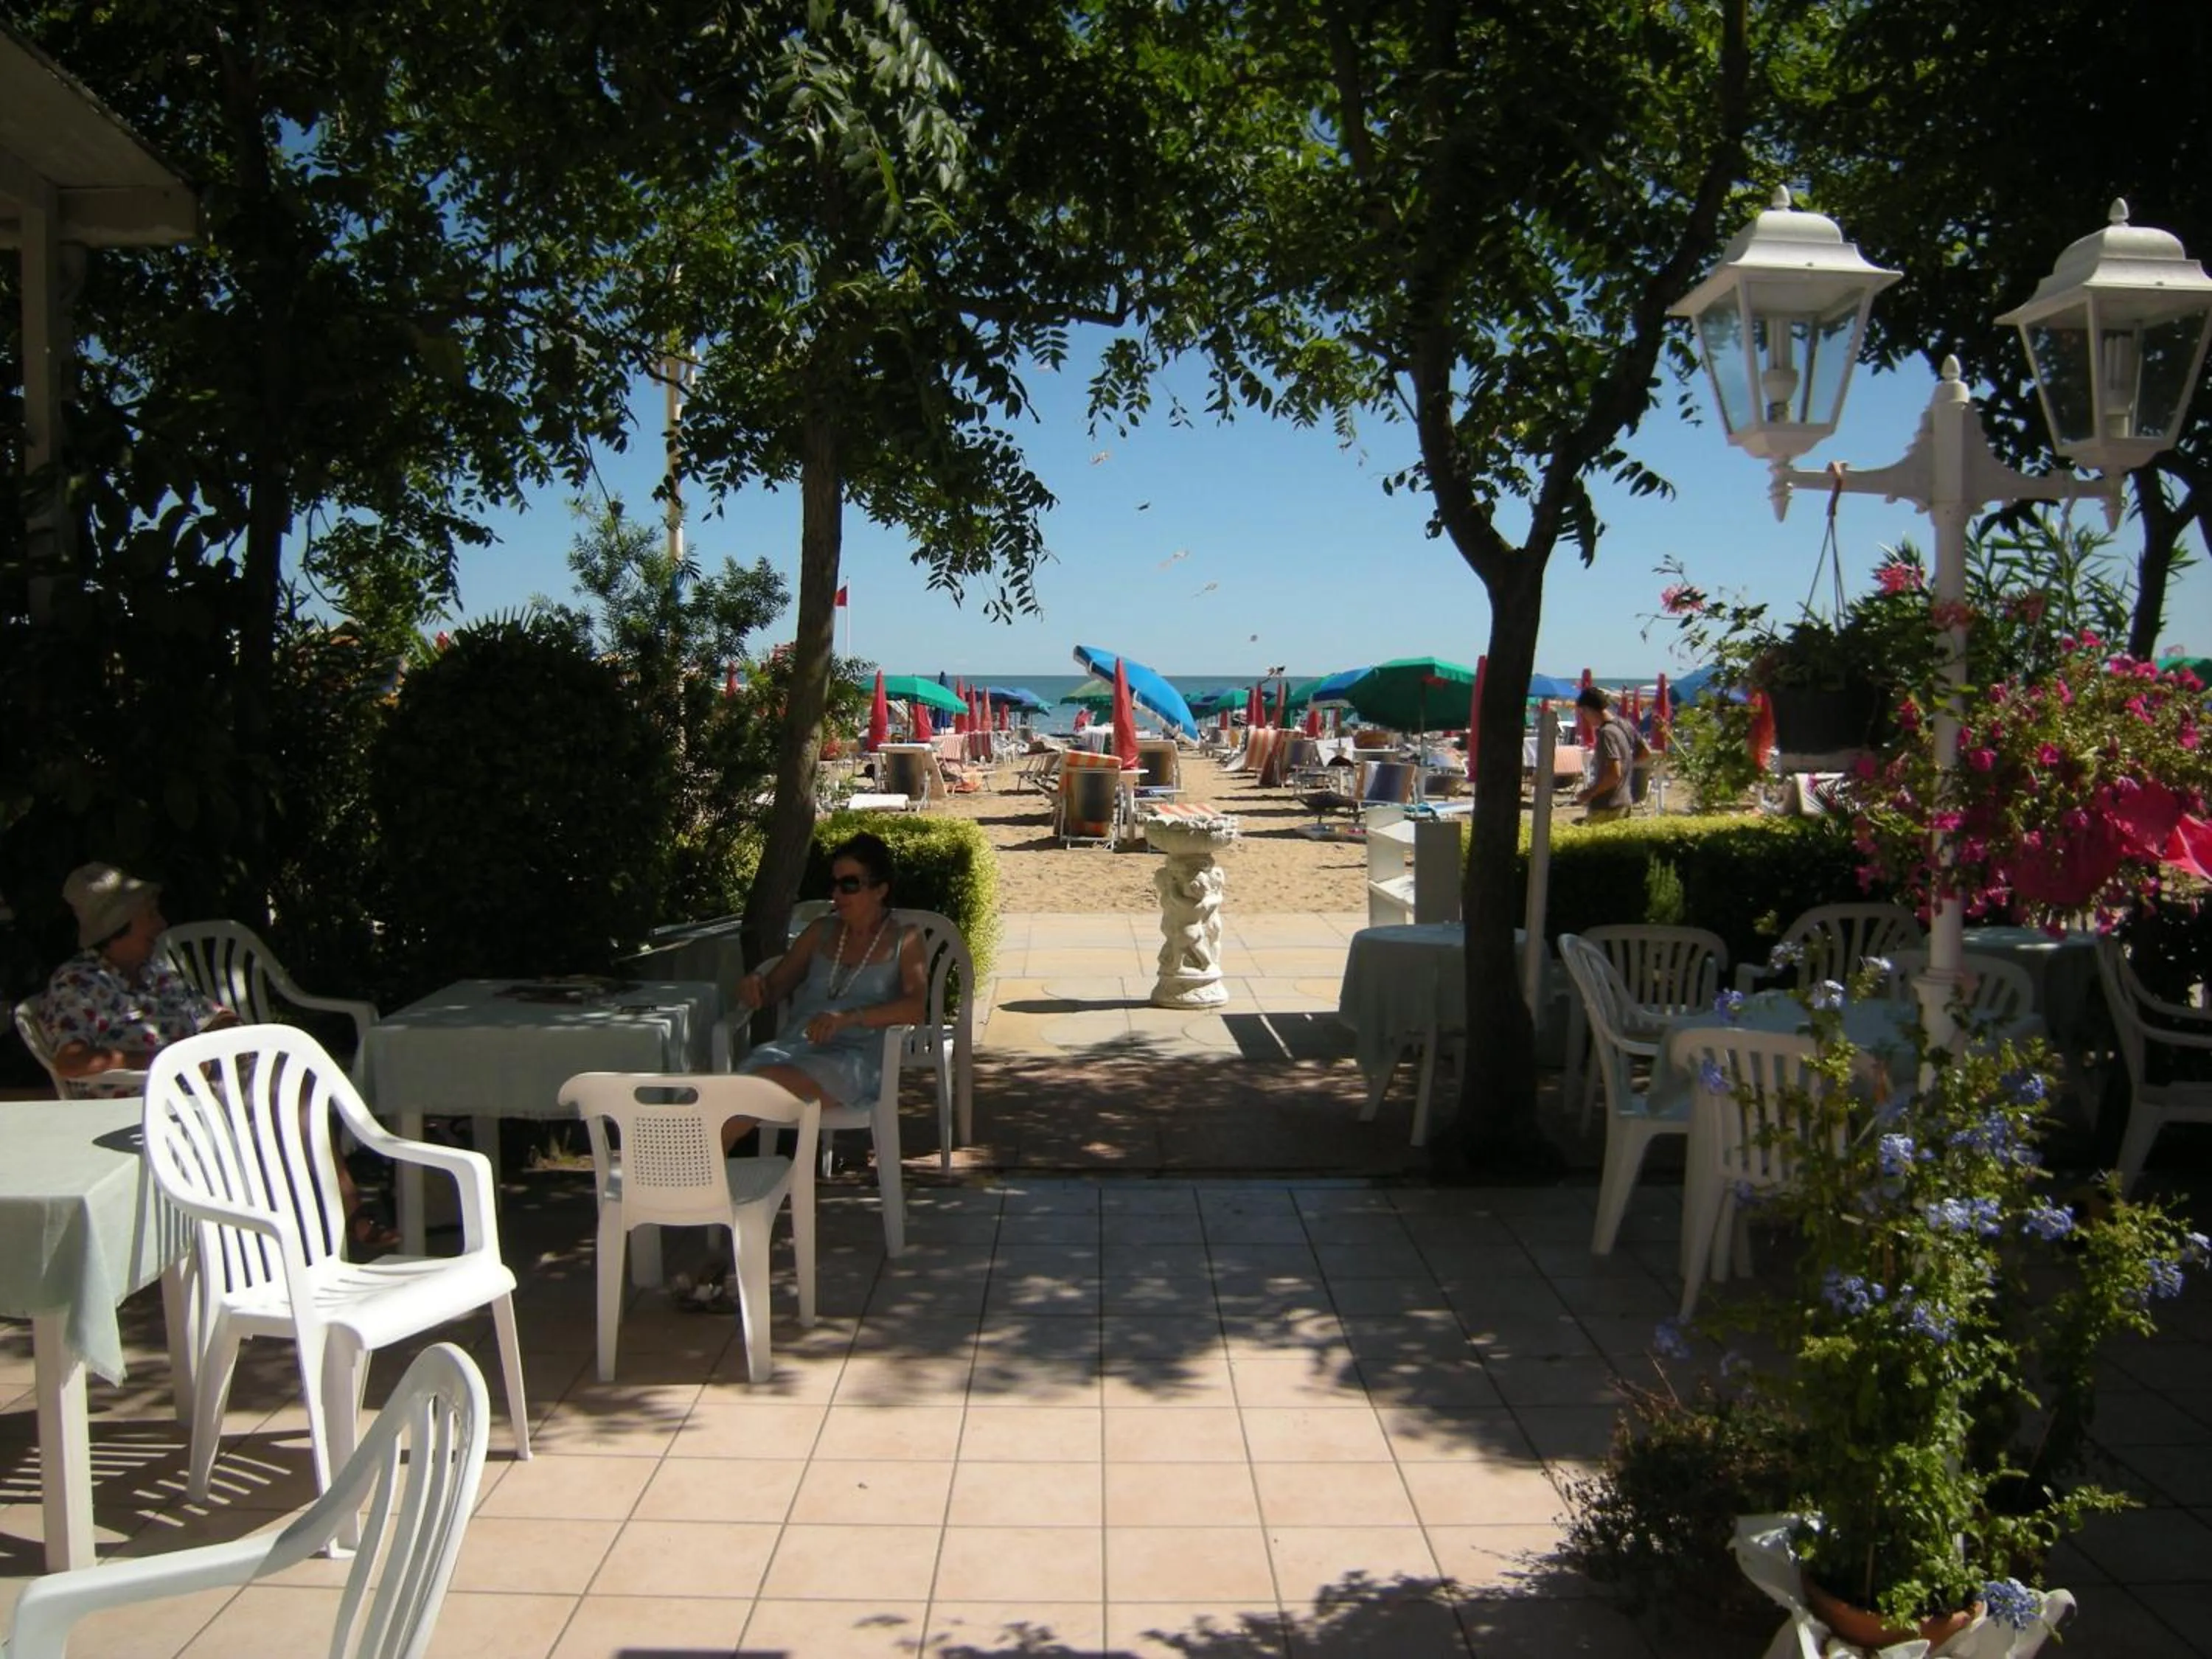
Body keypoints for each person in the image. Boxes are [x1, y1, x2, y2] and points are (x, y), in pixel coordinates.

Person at [42, 863, 394, 1249]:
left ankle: (329, 1216)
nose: (161, 926)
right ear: (119, 926)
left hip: (200, 1081)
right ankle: (322, 1222)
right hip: (146, 1101)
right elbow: (71, 1060)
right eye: (150, 917)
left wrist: (218, 1041)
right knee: (278, 1098)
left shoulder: (155, 971)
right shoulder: (78, 983)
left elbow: (218, 1015)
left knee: (290, 1080)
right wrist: (168, 1060)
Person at [728, 832, 929, 1149]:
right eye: (834, 884)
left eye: (849, 884)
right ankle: (697, 1186)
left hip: (855, 1062)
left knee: (741, 1094)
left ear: (880, 890)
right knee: (712, 1098)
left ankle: (682, 1187)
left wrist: (849, 1017)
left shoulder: (905, 939)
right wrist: (754, 984)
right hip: (794, 1051)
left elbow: (916, 1008)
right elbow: (773, 988)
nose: (837, 894)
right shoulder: (821, 931)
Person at [1573, 686, 1638, 824]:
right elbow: (1645, 752)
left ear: (1589, 709)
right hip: (1624, 801)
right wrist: (1626, 764)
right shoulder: (1624, 725)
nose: (1584, 717)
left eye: (1583, 713)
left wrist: (1589, 793)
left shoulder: (1606, 733)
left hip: (1606, 806)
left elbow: (1614, 774)